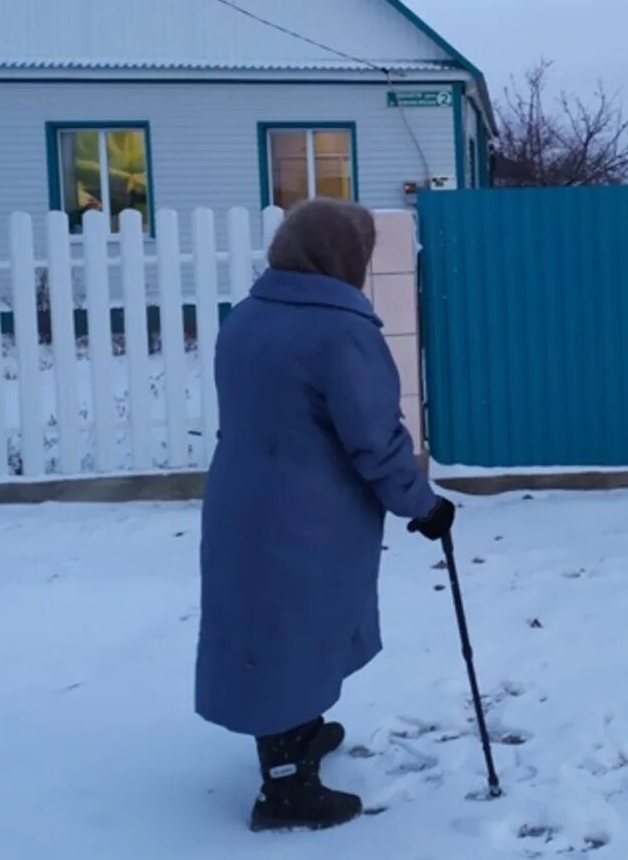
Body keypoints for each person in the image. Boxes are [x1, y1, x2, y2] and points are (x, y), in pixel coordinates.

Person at [195, 198, 456, 831]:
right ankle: (286, 790)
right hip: (306, 515)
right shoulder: (340, 331)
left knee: (273, 626)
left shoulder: (248, 317)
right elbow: (373, 435)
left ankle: (299, 732)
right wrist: (422, 506)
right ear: (344, 257)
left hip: (243, 499)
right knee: (292, 626)